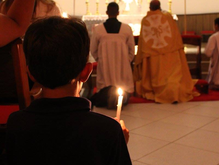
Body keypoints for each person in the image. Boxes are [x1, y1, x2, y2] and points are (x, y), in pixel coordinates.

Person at [6, 16, 131, 165]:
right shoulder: (107, 130)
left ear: (30, 73)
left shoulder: (17, 123)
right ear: (86, 72)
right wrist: (118, 141)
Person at [133, 0, 197, 103]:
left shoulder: (145, 20)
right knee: (171, 76)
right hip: (169, 52)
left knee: (156, 75)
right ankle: (173, 92)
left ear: (150, 7)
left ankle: (159, 90)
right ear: (159, 7)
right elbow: (175, 35)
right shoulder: (167, 17)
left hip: (152, 55)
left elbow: (143, 41)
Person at [90, 2, 135, 105]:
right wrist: (125, 61)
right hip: (122, 66)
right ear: (118, 13)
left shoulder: (98, 29)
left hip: (105, 65)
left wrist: (101, 60)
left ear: (106, 12)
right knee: (123, 89)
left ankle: (107, 98)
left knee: (105, 90)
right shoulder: (126, 29)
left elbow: (93, 49)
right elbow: (131, 50)